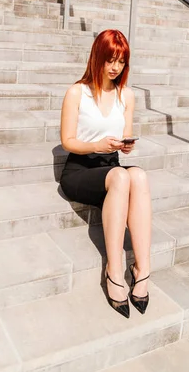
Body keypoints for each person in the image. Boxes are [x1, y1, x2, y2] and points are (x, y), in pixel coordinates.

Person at [60, 29, 151, 319]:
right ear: (97, 57)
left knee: (138, 176)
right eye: (110, 59)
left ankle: (143, 268)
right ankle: (114, 270)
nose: (115, 67)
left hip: (110, 165)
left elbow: (124, 137)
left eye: (121, 62)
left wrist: (124, 147)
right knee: (122, 177)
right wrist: (96, 145)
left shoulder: (127, 95)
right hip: (80, 168)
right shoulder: (77, 92)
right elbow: (67, 141)